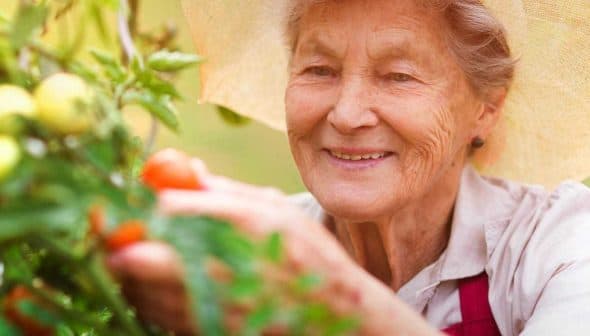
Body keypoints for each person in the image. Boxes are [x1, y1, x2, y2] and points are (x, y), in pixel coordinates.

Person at [107, 0, 590, 335]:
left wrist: (335, 311)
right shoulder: (241, 265)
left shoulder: (557, 242)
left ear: (486, 106)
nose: (347, 113)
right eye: (320, 70)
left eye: (398, 76)